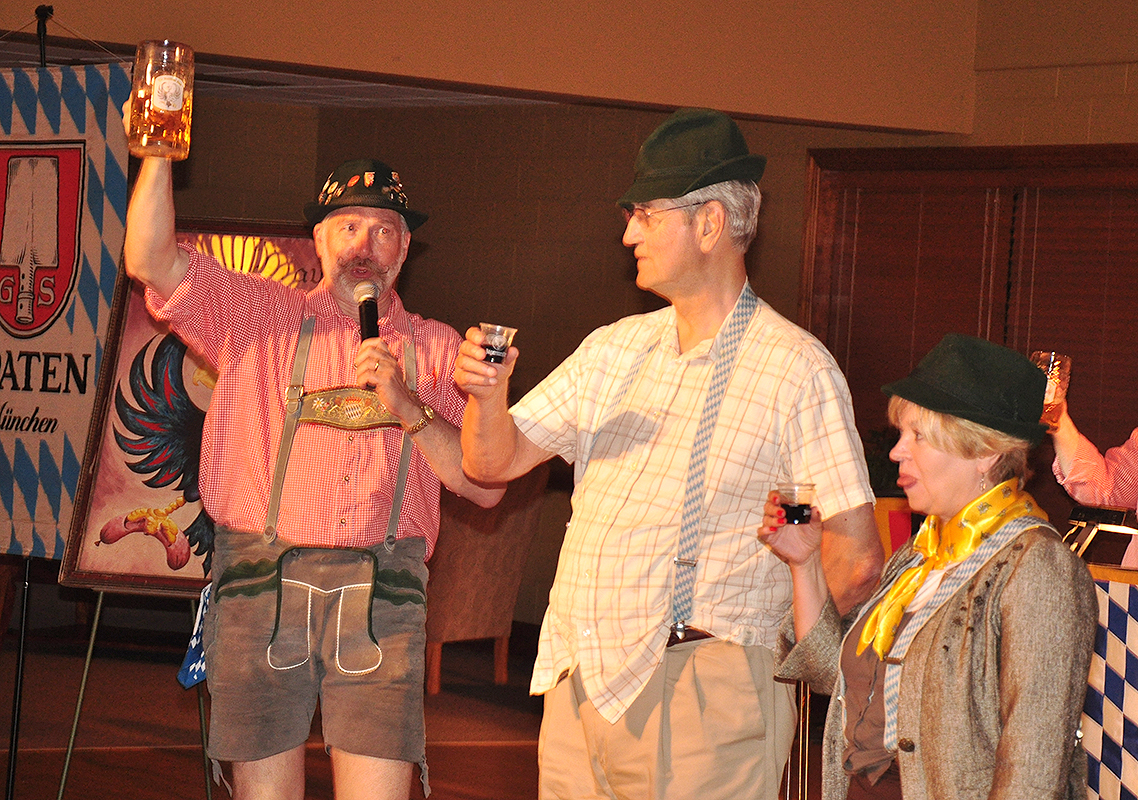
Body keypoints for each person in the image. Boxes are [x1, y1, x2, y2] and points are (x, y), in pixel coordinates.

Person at [453, 107, 883, 800]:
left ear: (709, 223)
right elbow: (490, 464)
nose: (627, 234)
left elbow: (856, 556)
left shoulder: (796, 369)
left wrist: (775, 640)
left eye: (646, 215)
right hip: (580, 679)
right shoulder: (611, 349)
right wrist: (487, 394)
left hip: (706, 690)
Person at [122, 152, 504, 800]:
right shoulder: (253, 316)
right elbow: (149, 261)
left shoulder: (439, 349)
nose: (365, 244)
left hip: (384, 591)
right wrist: (158, 153)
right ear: (319, 237)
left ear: (405, 246)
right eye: (348, 225)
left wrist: (410, 406)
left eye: (384, 229)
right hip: (259, 582)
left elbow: (485, 485)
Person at [761, 333, 1097, 800]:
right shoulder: (918, 557)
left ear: (985, 453)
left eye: (918, 435)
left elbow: (1032, 769)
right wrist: (803, 563)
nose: (898, 451)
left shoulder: (1037, 567)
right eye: (901, 433)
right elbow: (830, 678)